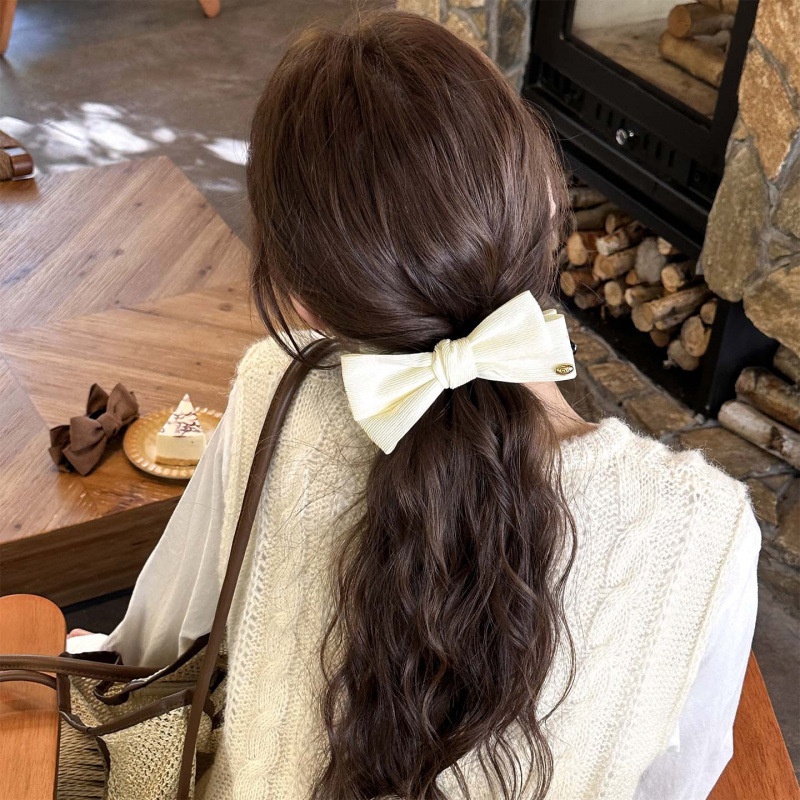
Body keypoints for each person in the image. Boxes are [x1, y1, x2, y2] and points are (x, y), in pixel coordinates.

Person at [69, 12, 759, 799]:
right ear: (546, 203)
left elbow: (159, 644)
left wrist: (93, 652)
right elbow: (677, 784)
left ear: (300, 299)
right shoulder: (710, 531)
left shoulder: (273, 394)